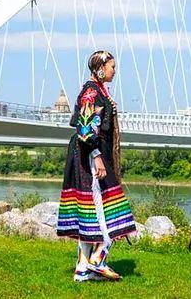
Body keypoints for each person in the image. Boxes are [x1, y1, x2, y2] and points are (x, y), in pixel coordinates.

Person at [56, 50, 136, 282]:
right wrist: (97, 155)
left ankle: (83, 269)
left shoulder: (97, 90)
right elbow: (85, 129)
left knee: (91, 210)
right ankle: (98, 259)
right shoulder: (91, 92)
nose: (114, 70)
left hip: (90, 153)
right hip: (91, 154)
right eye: (112, 67)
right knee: (111, 208)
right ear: (100, 68)